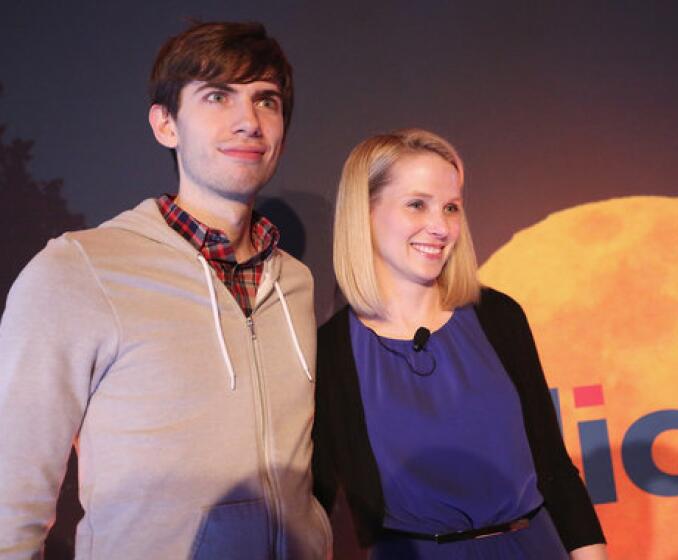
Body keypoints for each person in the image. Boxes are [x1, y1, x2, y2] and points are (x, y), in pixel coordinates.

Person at [0, 22, 331, 559]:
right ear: (165, 124)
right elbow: (9, 498)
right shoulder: (79, 270)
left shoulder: (294, 280)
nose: (249, 121)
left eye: (266, 100)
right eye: (218, 96)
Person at [313, 128, 607, 559]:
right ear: (366, 211)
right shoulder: (331, 351)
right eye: (417, 204)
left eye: (451, 208)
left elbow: (554, 468)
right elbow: (315, 502)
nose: (440, 227)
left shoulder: (498, 317)